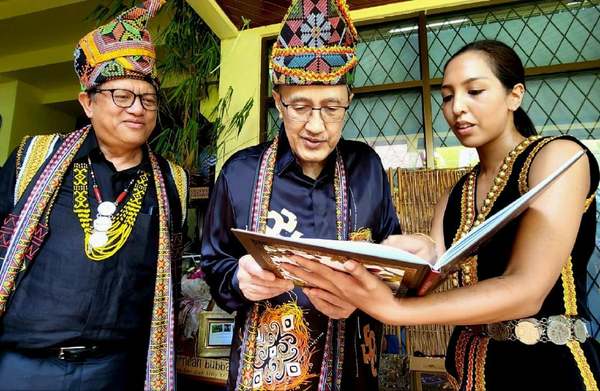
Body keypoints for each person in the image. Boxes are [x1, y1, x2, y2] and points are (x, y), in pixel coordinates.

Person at [282, 39, 600, 390]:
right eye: (447, 96)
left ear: (515, 95)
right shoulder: (455, 195)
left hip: (546, 371)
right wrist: (381, 269)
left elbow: (528, 289)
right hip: (467, 372)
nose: (457, 108)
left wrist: (395, 311)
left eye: (475, 91)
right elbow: (428, 279)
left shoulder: (559, 158)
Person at [200, 0, 401, 389]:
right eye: (300, 106)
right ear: (278, 102)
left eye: (331, 108)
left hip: (353, 369)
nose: (316, 125)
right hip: (267, 371)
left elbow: (390, 261)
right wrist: (240, 279)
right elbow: (214, 263)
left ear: (348, 102)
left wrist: (362, 295)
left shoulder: (367, 167)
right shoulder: (239, 174)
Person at [0, 1, 187, 390]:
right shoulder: (34, 158)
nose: (137, 108)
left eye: (148, 98)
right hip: (25, 368)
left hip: (116, 371)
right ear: (87, 101)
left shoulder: (172, 181)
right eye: (121, 95)